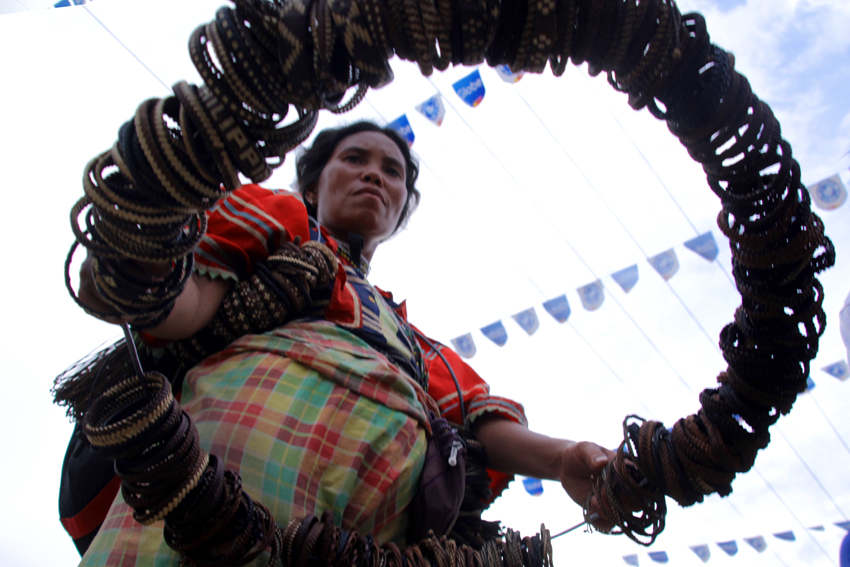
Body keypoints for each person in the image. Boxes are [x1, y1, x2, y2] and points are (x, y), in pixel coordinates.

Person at [71, 121, 615, 566]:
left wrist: (566, 457)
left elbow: (483, 426)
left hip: (377, 524)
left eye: (392, 172)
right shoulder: (282, 222)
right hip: (245, 447)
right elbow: (183, 308)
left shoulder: (421, 349)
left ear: (402, 207)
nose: (375, 176)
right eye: (355, 159)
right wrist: (135, 264)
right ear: (313, 184)